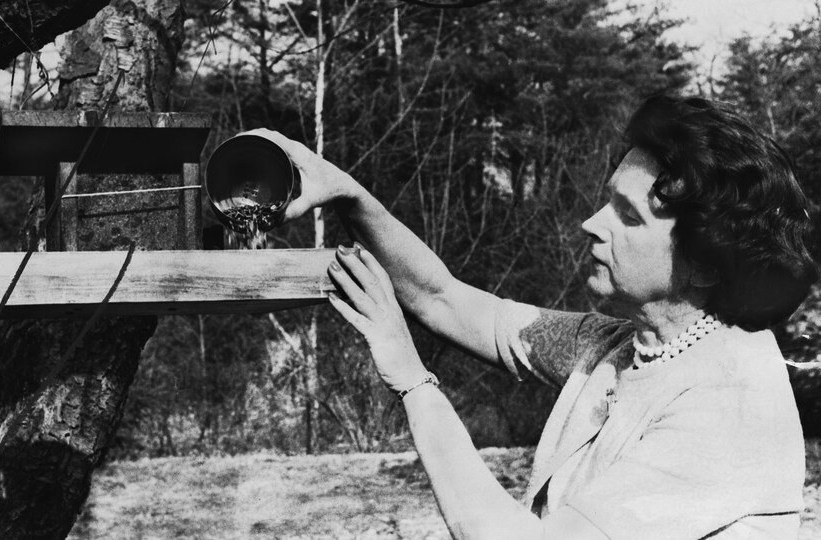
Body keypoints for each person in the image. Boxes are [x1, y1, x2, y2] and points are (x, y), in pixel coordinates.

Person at [247, 95, 817, 539]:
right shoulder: (623, 347)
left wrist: (413, 380)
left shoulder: (728, 403)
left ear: (706, 261)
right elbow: (444, 297)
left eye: (627, 215)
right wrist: (348, 195)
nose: (592, 224)